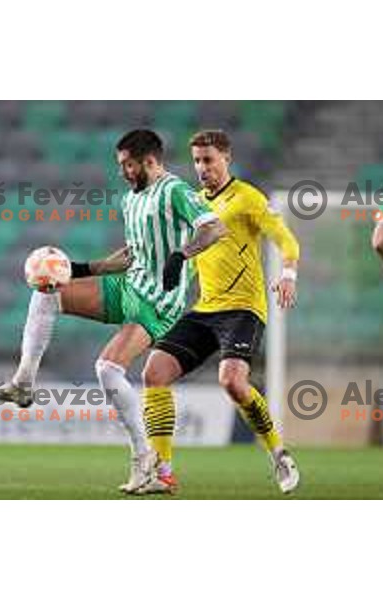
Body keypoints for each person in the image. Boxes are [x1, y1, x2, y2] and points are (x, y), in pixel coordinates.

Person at [0, 129, 225, 493]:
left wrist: (182, 255)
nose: (123, 172)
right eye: (121, 165)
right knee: (48, 290)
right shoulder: (131, 201)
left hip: (159, 301)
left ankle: (142, 455)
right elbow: (133, 254)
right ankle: (23, 382)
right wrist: (84, 269)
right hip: (130, 286)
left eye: (128, 165)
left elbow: (214, 228)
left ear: (150, 161)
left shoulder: (175, 191)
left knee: (108, 367)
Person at [139, 130, 301, 495]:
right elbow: (197, 257)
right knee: (154, 373)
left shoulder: (247, 198)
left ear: (226, 158)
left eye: (208, 159)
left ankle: (278, 453)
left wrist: (288, 274)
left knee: (231, 382)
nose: (201, 168)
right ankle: (163, 472)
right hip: (205, 309)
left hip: (243, 309)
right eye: (196, 161)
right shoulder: (195, 202)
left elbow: (286, 239)